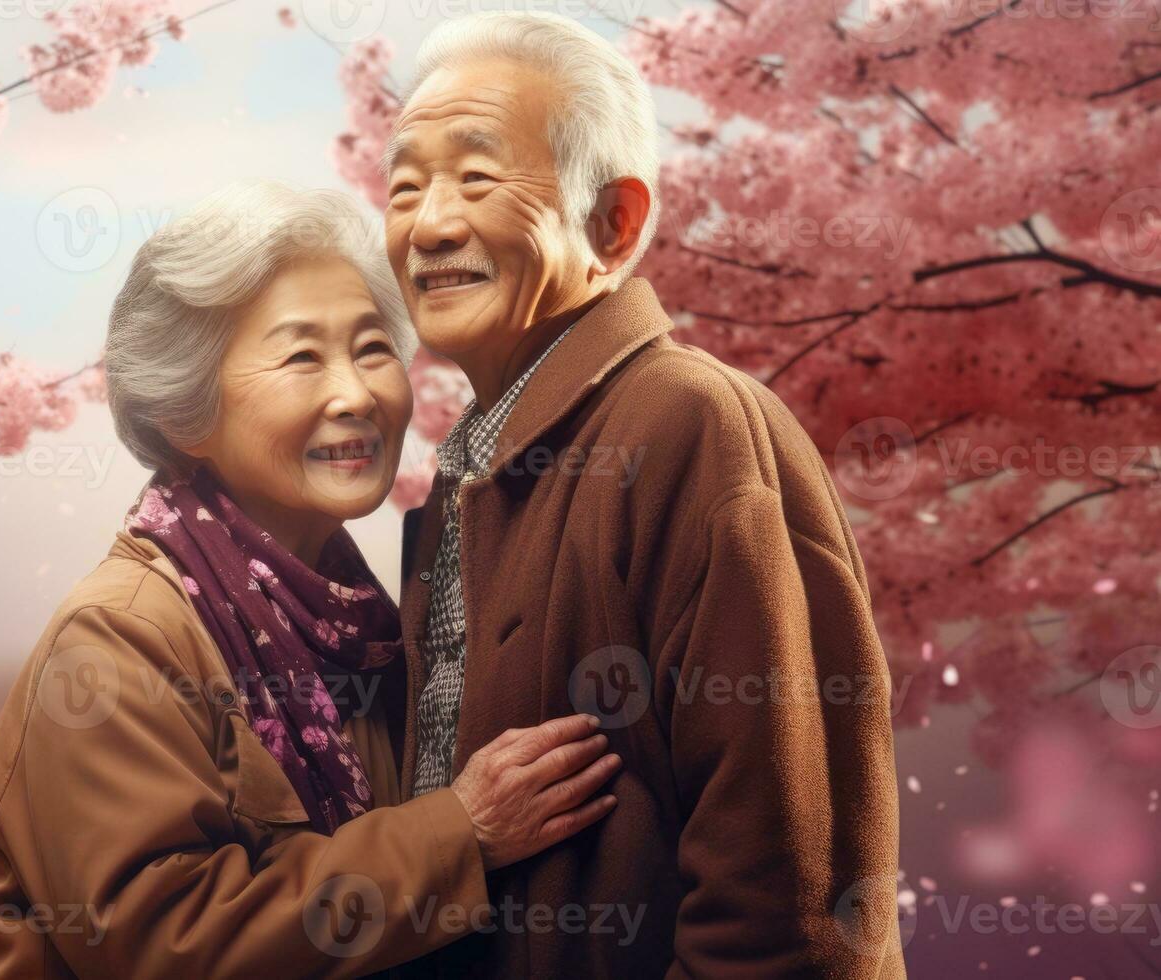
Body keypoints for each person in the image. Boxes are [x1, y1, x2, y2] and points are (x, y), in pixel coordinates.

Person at [0, 180, 622, 979]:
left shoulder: (360, 616)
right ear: (184, 413)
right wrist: (461, 831)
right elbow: (167, 945)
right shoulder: (117, 637)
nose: (355, 394)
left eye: (373, 348)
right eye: (302, 357)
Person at [380, 12, 906, 978]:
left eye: (477, 175)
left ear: (614, 221)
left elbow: (793, 909)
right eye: (403, 186)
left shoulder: (688, 426)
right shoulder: (469, 473)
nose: (428, 223)